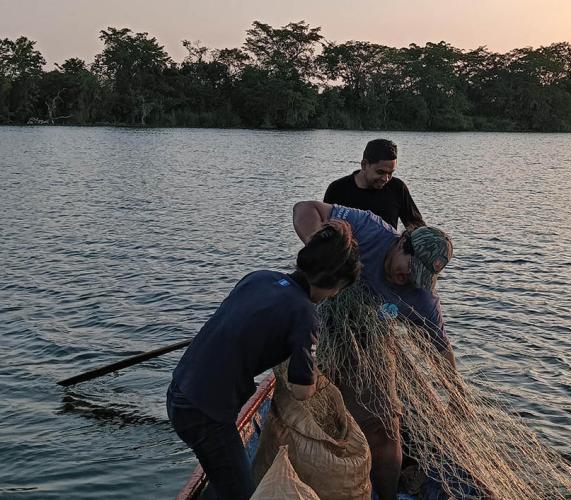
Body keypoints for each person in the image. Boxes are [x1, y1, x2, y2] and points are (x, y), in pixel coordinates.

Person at [166, 221, 361, 500]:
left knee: (225, 477)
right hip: (205, 414)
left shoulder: (259, 277)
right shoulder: (305, 315)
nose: (335, 296)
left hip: (179, 391)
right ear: (335, 282)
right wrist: (313, 372)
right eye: (339, 289)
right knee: (242, 494)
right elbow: (301, 389)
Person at [292, 201, 454, 500]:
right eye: (409, 268)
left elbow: (440, 348)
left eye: (419, 277)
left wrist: (455, 394)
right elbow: (305, 208)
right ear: (402, 242)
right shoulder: (368, 229)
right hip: (319, 328)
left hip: (371, 345)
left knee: (385, 430)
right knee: (312, 417)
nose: (408, 278)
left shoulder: (422, 299)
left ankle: (386, 495)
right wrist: (324, 255)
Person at [323, 139, 425, 230]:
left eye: (390, 173)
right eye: (380, 172)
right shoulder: (338, 189)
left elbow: (416, 226)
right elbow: (324, 228)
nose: (386, 178)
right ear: (364, 165)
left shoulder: (398, 188)